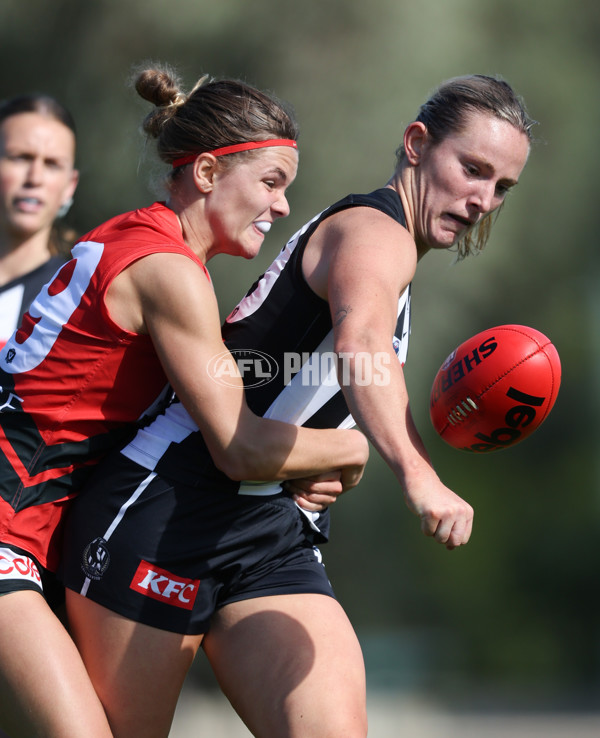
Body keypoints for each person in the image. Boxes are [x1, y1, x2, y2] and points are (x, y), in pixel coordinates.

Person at [61, 73, 535, 738]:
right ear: (416, 143)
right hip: (167, 506)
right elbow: (362, 344)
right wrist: (416, 474)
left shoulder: (394, 249)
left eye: (501, 187)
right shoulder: (377, 232)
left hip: (270, 532)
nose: (483, 198)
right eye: (473, 169)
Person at [0, 66, 369, 738]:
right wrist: (352, 447)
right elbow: (238, 447)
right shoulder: (168, 272)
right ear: (205, 174)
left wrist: (289, 463)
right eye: (269, 182)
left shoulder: (137, 239)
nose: (283, 206)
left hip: (31, 532)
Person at [0, 94, 79, 349]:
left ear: (70, 186)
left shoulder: (76, 300)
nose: (35, 178)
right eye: (20, 157)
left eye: (52, 164)